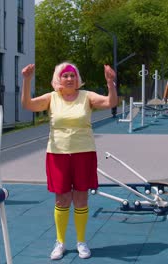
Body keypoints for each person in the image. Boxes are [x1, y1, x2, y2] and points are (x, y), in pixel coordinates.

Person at [21, 62, 117, 260]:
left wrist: (110, 83)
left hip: (84, 153)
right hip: (58, 154)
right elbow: (28, 105)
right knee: (62, 198)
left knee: (81, 198)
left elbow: (111, 103)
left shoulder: (87, 96)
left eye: (72, 75)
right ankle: (60, 242)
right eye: (65, 76)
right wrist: (27, 80)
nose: (69, 79)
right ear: (59, 79)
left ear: (77, 78)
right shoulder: (52, 98)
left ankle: (81, 242)